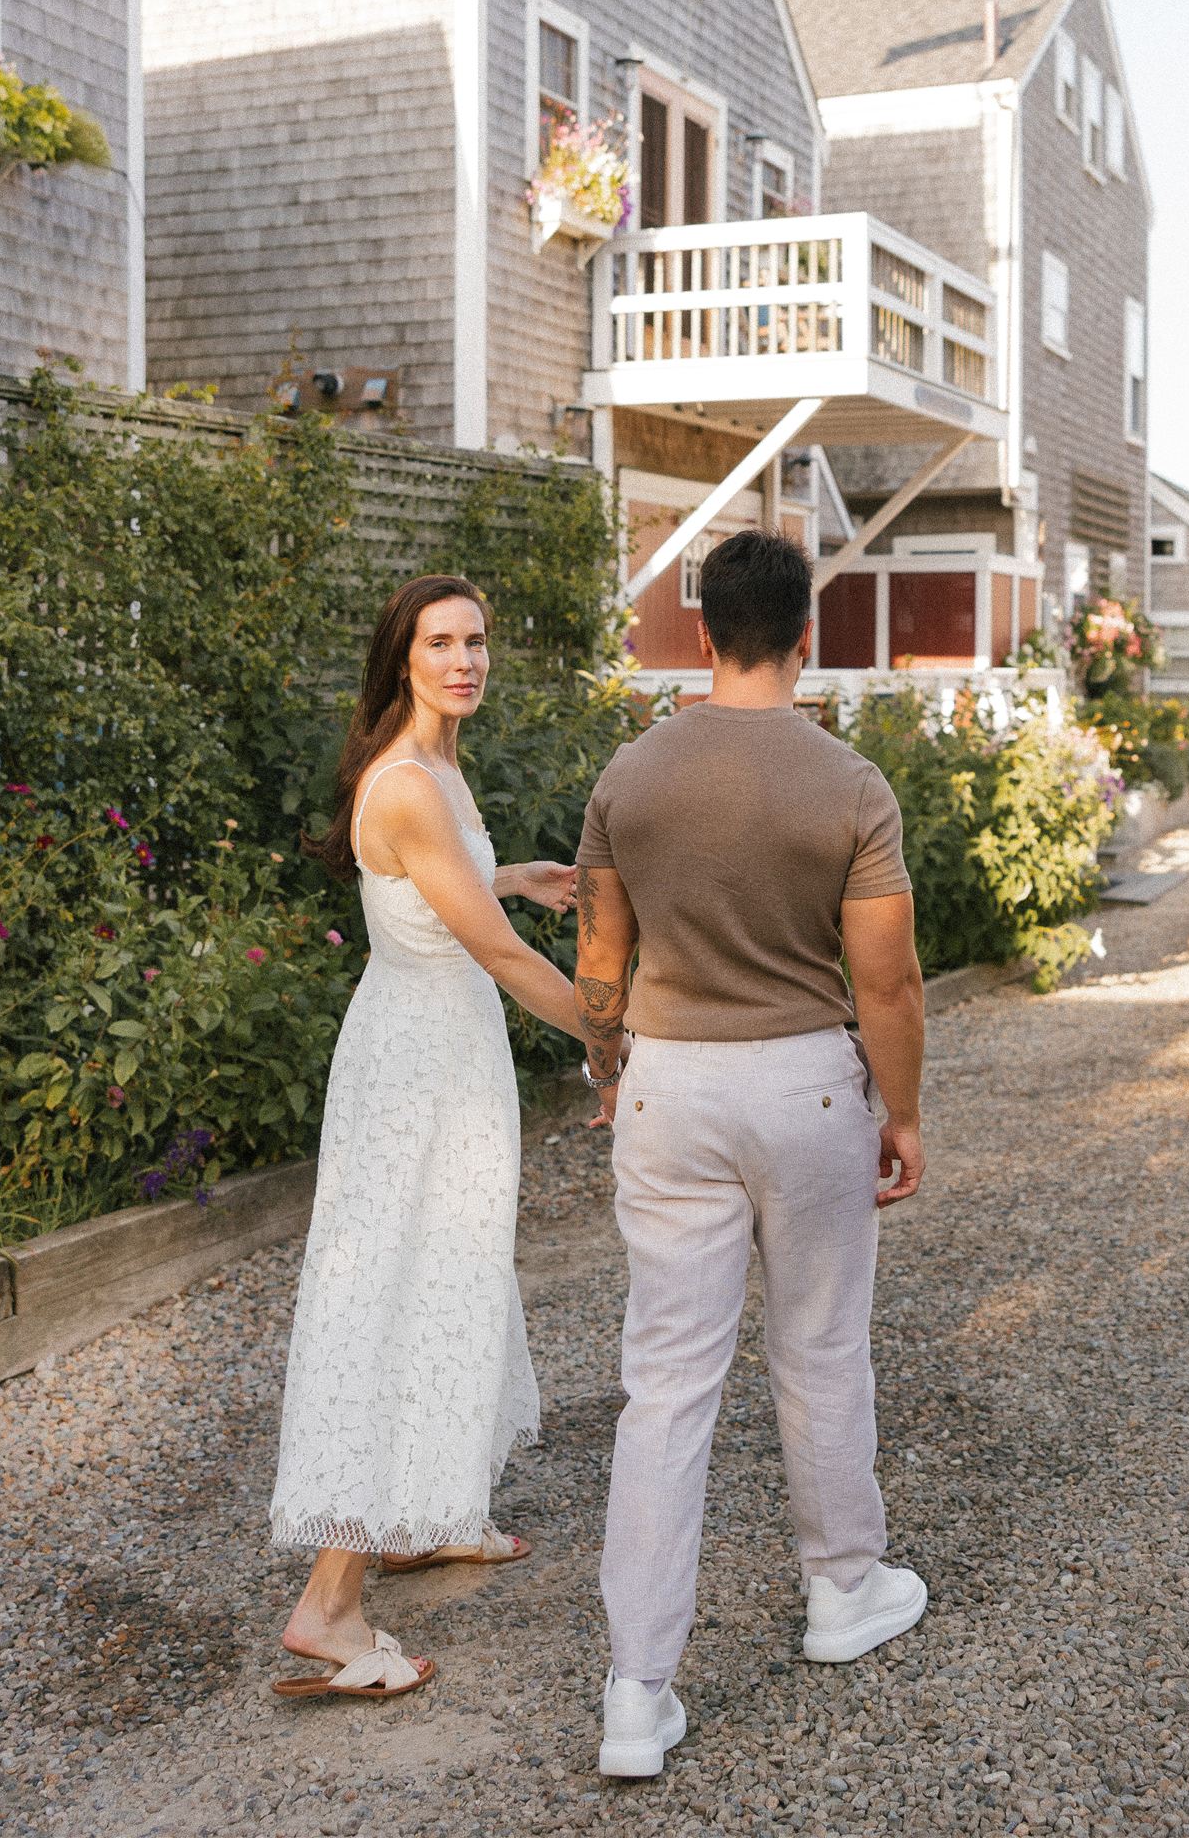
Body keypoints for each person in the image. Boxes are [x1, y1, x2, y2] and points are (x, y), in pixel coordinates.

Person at [574, 529, 928, 1777]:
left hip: (670, 1084)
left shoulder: (631, 774)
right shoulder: (850, 784)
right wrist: (903, 1111)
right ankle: (842, 1587)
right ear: (805, 635)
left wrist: (610, 1074)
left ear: (702, 634)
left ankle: (635, 1691)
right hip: (807, 1089)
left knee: (667, 1382)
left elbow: (602, 963)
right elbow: (884, 981)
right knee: (820, 1343)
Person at [269, 574, 591, 1701]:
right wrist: (616, 1033)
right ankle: (330, 1604)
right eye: (441, 642)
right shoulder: (407, 781)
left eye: (478, 641)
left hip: (443, 1047)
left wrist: (506, 876)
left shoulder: (436, 766)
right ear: (401, 656)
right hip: (418, 1072)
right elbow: (498, 956)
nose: (465, 660)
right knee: (401, 1298)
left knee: (454, 1275)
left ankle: (420, 1517)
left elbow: (435, 897)